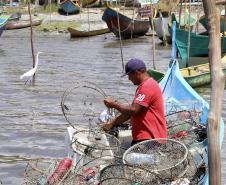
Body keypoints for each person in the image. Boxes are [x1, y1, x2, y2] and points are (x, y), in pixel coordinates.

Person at [101, 58, 167, 146]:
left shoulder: (147, 86)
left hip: (150, 140)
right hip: (144, 139)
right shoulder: (144, 86)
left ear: (136, 73)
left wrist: (114, 104)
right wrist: (111, 124)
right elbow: (129, 113)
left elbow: (133, 110)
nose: (129, 79)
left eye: (129, 75)